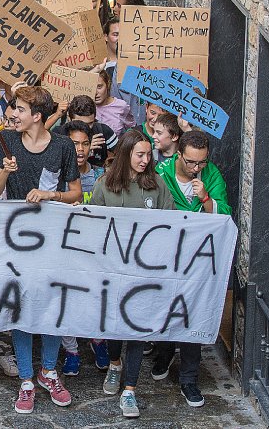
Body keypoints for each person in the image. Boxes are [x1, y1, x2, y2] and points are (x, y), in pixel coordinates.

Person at [0, 86, 80, 414]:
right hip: (16, 241)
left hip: (54, 239)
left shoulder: (63, 145)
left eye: (19, 109)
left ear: (37, 116)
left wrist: (49, 195)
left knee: (52, 305)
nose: (12, 113)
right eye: (13, 108)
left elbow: (76, 194)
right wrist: (5, 172)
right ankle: (27, 378)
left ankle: (49, 371)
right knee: (22, 307)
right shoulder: (6, 141)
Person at [90, 129, 174, 417]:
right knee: (114, 326)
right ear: (125, 155)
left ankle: (130, 390)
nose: (145, 159)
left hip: (144, 274)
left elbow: (170, 225)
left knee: (137, 330)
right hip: (113, 273)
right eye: (140, 154)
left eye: (148, 154)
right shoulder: (103, 185)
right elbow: (94, 229)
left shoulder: (158, 186)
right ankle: (114, 364)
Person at [149, 130, 230, 408]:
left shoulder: (212, 176)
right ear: (179, 154)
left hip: (197, 262)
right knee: (164, 308)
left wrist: (206, 199)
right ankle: (164, 352)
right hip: (165, 258)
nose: (197, 168)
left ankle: (189, 379)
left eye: (202, 163)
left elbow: (224, 217)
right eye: (192, 162)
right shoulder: (160, 172)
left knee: (192, 316)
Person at [50, 95, 117, 169]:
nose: (86, 128)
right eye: (80, 123)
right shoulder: (58, 134)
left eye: (90, 123)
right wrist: (86, 150)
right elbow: (53, 162)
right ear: (69, 119)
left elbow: (123, 156)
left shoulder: (103, 131)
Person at [94, 69, 135, 134]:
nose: (95, 92)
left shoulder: (121, 106)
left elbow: (132, 129)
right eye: (92, 87)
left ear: (107, 84)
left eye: (99, 87)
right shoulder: (83, 107)